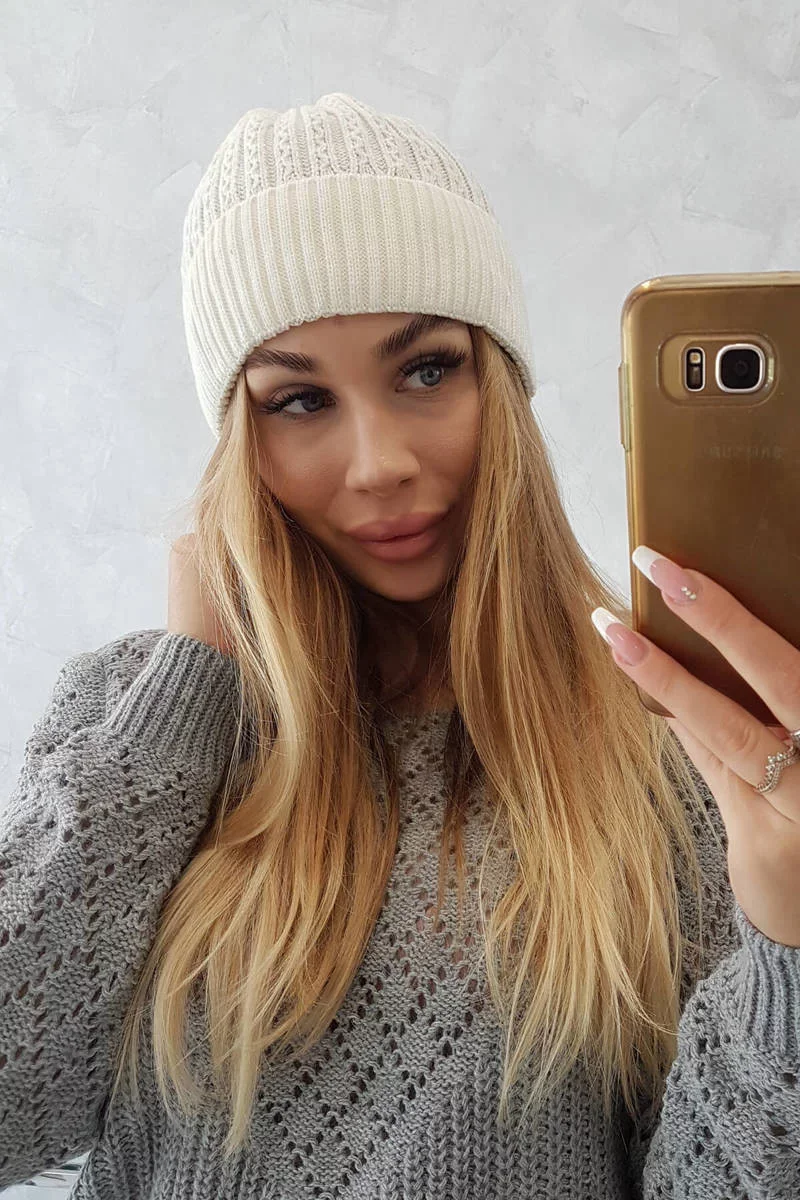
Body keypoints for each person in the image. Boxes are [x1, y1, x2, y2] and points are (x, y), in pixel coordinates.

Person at [1, 92, 797, 1200]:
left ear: (499, 383)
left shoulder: (671, 747)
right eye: (298, 400)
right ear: (237, 439)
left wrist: (788, 952)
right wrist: (184, 691)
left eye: (425, 370)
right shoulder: (135, 721)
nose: (377, 464)